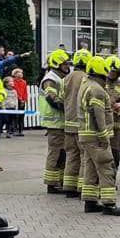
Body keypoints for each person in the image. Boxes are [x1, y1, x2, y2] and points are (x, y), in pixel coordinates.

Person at [77, 53, 120, 216]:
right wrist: (104, 136)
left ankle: (90, 202)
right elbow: (98, 114)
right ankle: (109, 204)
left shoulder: (86, 85)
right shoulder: (97, 90)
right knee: (107, 167)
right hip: (95, 136)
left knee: (91, 168)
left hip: (85, 135)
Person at [39, 49, 71, 194]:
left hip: (62, 123)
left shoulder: (61, 77)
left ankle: (59, 180)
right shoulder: (50, 79)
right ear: (56, 64)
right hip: (55, 123)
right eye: (64, 64)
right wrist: (69, 107)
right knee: (56, 153)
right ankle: (51, 184)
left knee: (63, 153)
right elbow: (52, 98)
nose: (67, 66)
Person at [61, 49, 92, 198]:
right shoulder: (86, 78)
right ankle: (82, 187)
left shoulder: (66, 78)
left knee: (71, 156)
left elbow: (61, 98)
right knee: (84, 156)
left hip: (68, 125)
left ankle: (69, 187)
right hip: (81, 124)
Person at [9, 68, 28, 137]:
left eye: (21, 73)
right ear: (15, 74)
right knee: (14, 116)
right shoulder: (13, 82)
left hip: (22, 101)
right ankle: (13, 130)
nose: (20, 74)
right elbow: (15, 90)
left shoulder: (24, 82)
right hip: (15, 100)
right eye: (18, 73)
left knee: (21, 116)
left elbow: (25, 92)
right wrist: (20, 99)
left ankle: (21, 130)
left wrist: (24, 100)